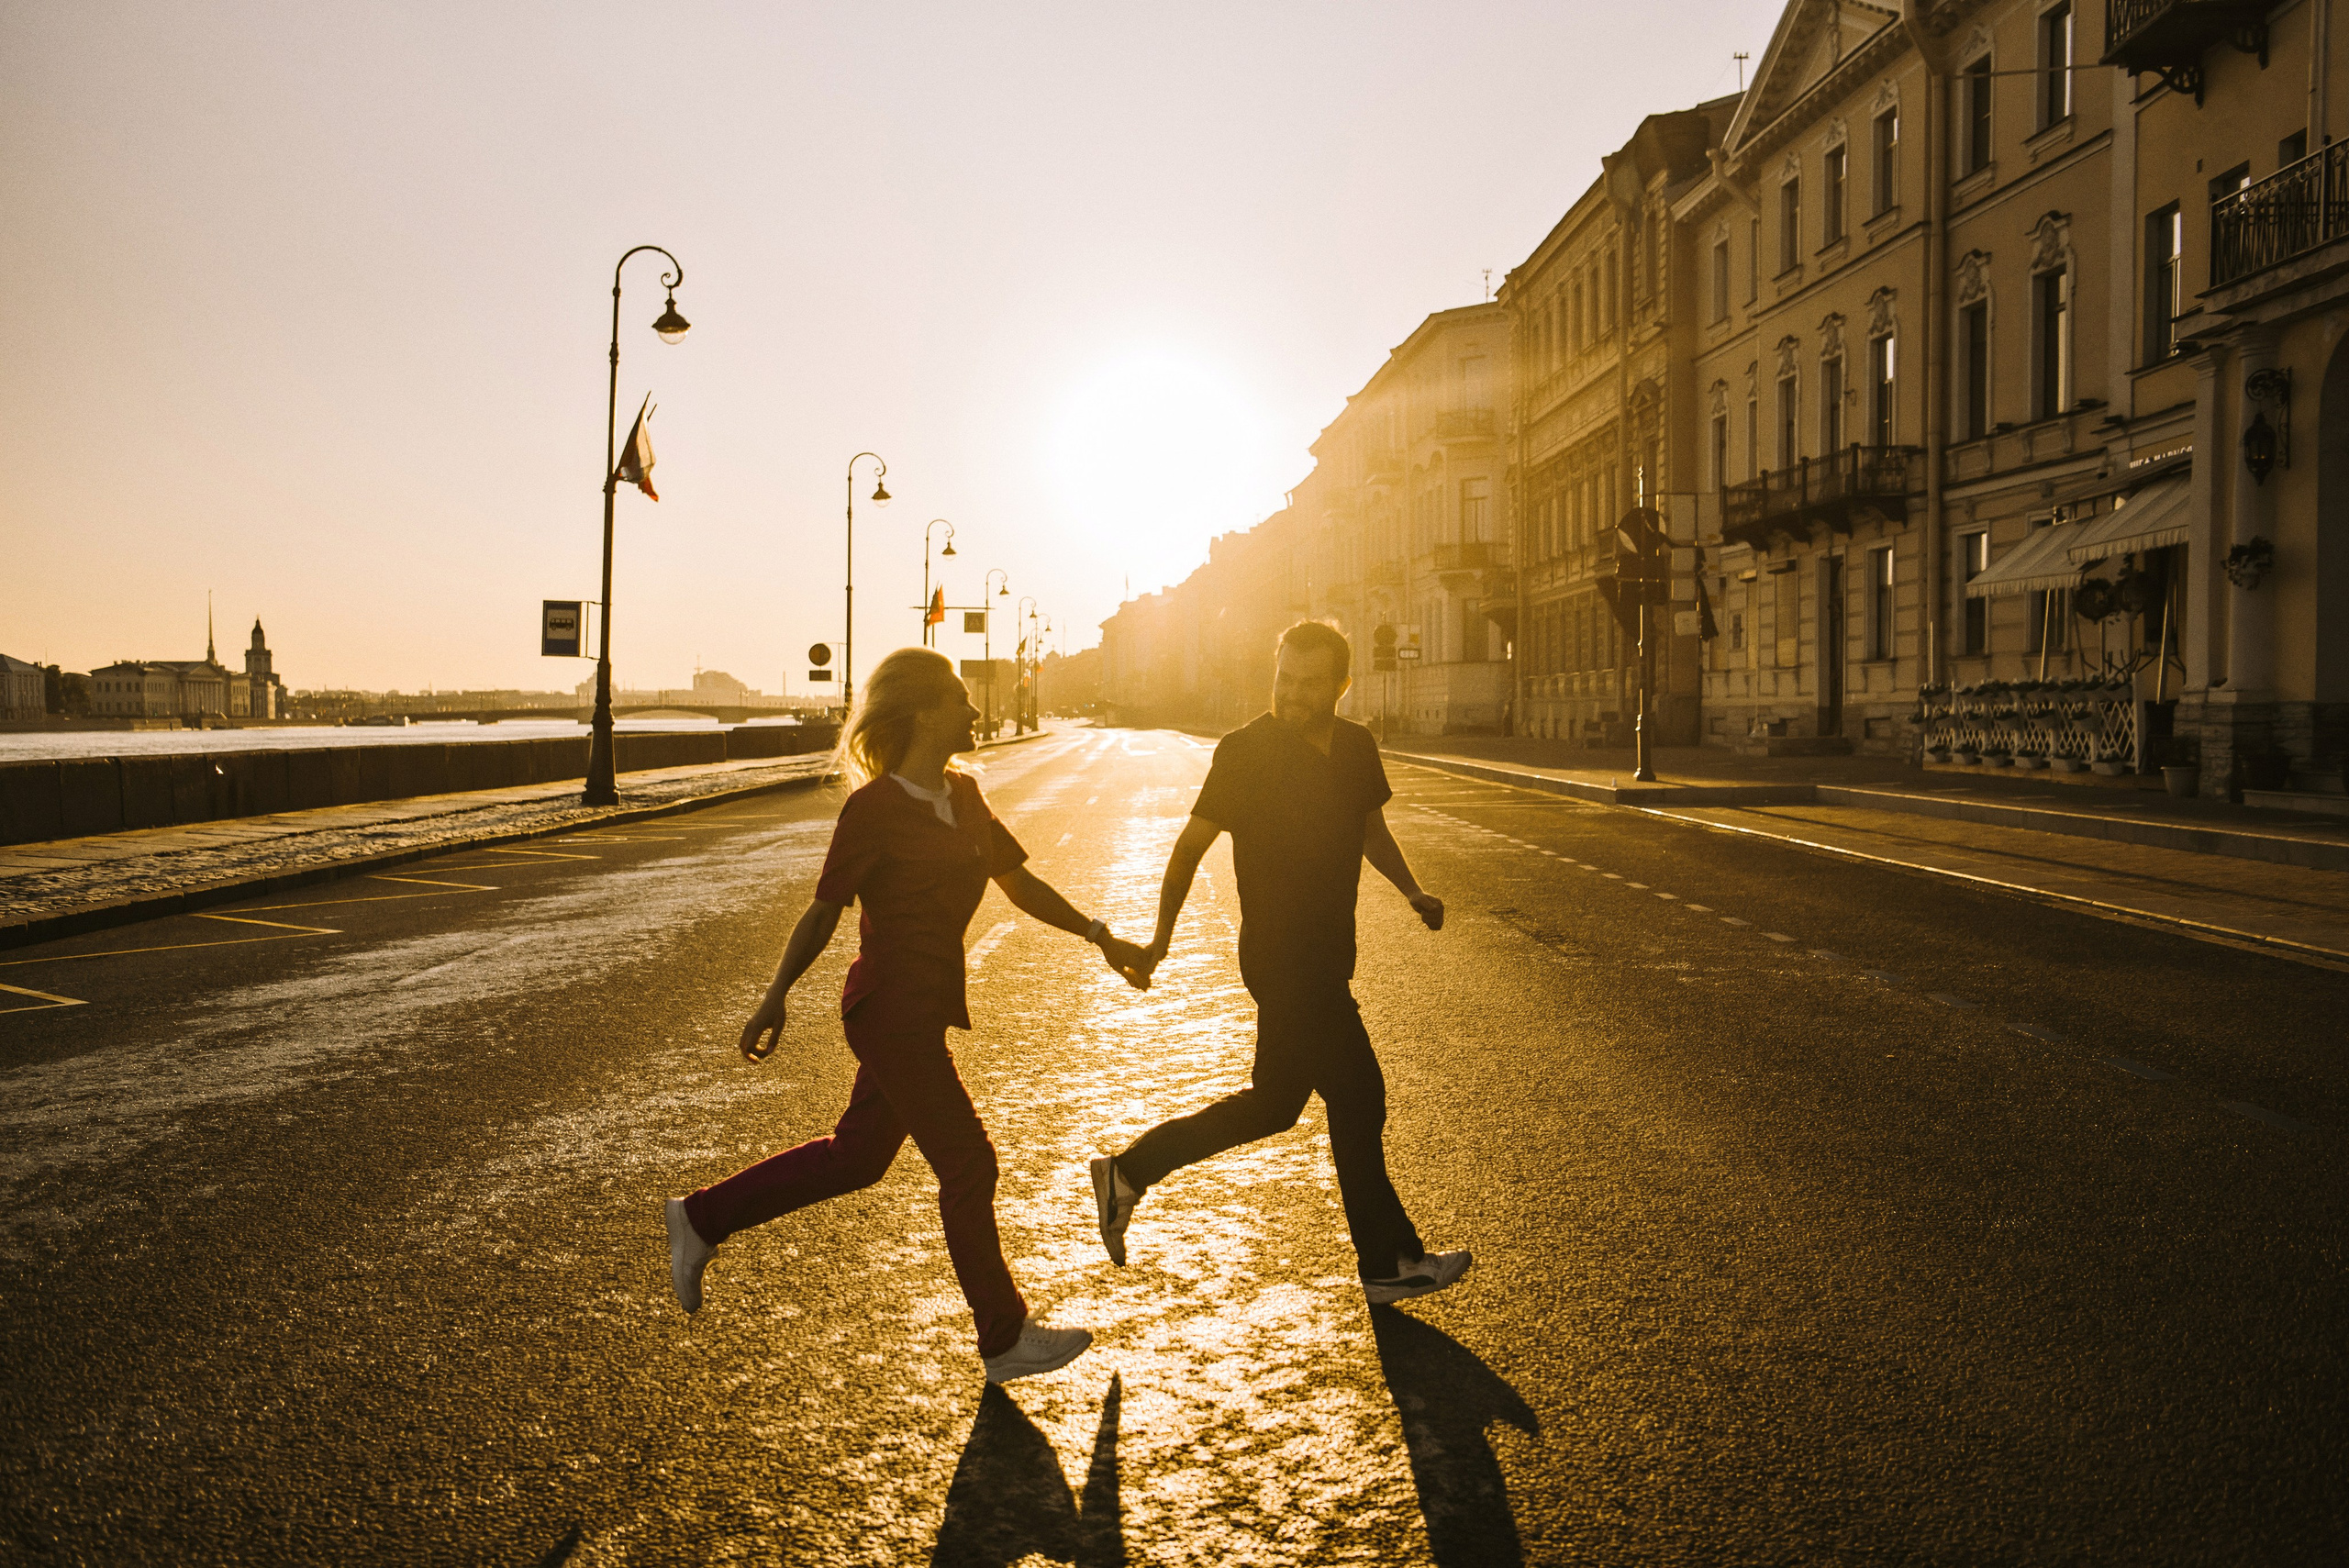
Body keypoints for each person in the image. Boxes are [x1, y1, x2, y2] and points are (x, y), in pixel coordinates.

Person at [665, 646, 1152, 1383]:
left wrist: (1100, 936)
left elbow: (1019, 883)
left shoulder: (967, 795)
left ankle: (701, 1218)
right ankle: (1003, 1334)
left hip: (924, 1009)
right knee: (968, 1162)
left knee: (855, 1159)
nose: (976, 710)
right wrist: (776, 995)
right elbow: (823, 911)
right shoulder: (873, 810)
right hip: (888, 1006)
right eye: (962, 698)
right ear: (925, 712)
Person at [1089, 620, 1471, 1305]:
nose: (1291, 693)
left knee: (1273, 1106)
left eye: (1308, 683)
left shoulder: (1355, 746)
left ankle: (1129, 1171)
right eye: (1283, 678)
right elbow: (1187, 849)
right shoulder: (1245, 752)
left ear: (1339, 686)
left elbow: (1368, 830)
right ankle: (1388, 1262)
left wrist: (1412, 889)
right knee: (1360, 1096)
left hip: (1328, 954)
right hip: (1280, 958)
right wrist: (1161, 939)